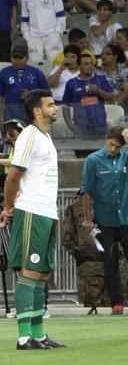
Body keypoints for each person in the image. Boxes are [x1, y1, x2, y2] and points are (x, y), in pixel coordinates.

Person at [0, 90, 65, 350]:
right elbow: (13, 175)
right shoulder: (28, 135)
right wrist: (9, 207)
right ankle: (24, 336)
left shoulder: (45, 137)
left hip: (46, 212)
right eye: (50, 104)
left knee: (41, 273)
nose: (55, 108)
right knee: (29, 271)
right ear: (37, 110)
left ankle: (38, 334)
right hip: (31, 210)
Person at [80, 126, 128, 314]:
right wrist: (87, 219)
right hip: (104, 220)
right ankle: (117, 303)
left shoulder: (125, 157)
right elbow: (87, 191)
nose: (114, 149)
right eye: (112, 145)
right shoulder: (93, 160)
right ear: (106, 139)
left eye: (118, 147)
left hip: (126, 217)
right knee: (110, 261)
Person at [61, 50, 117, 137]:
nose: (90, 66)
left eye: (91, 63)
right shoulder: (71, 83)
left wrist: (98, 90)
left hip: (101, 127)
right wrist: (71, 126)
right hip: (81, 129)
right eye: (86, 64)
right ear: (79, 66)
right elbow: (65, 106)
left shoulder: (101, 79)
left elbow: (112, 98)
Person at [20, 0, 66, 68]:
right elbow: (24, 20)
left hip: (52, 35)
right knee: (35, 68)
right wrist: (28, 37)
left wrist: (57, 33)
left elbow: (60, 15)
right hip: (34, 38)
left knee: (58, 66)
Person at [0, 41, 49, 128]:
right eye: (15, 57)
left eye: (21, 57)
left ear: (27, 58)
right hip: (11, 116)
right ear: (11, 58)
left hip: (33, 117)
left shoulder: (36, 73)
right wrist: (1, 121)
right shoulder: (4, 73)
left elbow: (47, 94)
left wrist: (32, 95)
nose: (17, 60)